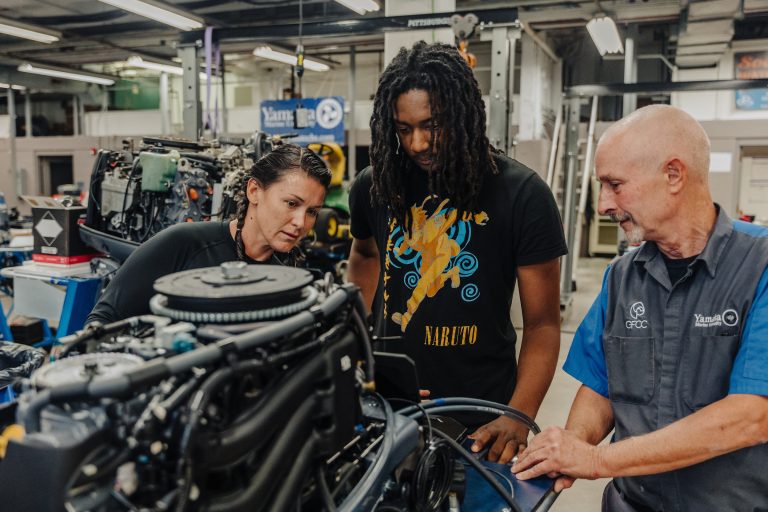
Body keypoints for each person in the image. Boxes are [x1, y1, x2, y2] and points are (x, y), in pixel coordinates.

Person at [512, 105, 768, 511]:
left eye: (615, 185)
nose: (604, 206)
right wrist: (572, 444)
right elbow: (601, 387)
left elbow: (752, 415)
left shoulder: (760, 265)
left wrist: (596, 460)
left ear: (673, 175)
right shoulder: (622, 278)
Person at [347, 41, 567, 464]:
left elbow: (542, 325)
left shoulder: (521, 193)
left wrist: (518, 415)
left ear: (464, 114)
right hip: (391, 405)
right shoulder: (376, 186)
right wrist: (357, 344)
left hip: (483, 419)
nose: (417, 143)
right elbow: (365, 254)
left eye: (432, 125)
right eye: (403, 128)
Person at [87, 143, 331, 325]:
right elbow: (103, 319)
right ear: (255, 191)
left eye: (312, 212)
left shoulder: (288, 282)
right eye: (291, 203)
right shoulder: (183, 244)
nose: (300, 222)